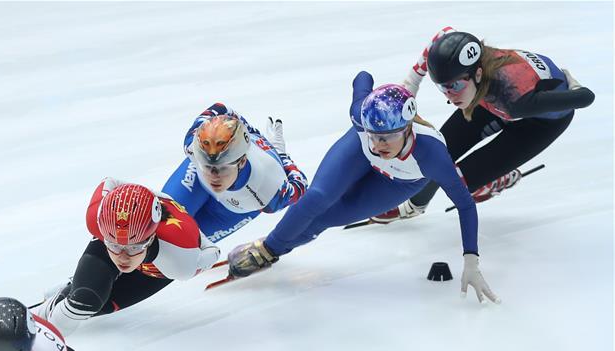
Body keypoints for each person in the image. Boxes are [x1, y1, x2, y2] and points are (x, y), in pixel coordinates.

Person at [226, 72, 500, 304]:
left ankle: (276, 249)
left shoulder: (432, 156)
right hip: (357, 149)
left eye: (387, 138)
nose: (380, 145)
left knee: (327, 218)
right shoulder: (361, 117)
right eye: (375, 136)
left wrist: (471, 261)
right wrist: (375, 101)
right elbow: (363, 77)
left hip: (400, 180)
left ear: (407, 129)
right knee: (317, 199)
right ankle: (267, 250)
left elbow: (465, 204)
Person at [370, 28, 594, 223]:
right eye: (443, 88)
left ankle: (495, 178)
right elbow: (442, 34)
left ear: (477, 74)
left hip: (539, 123)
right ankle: (415, 205)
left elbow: (586, 98)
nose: (450, 97)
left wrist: (572, 84)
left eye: (454, 86)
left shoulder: (515, 101)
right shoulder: (471, 63)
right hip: (491, 95)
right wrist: (411, 83)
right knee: (437, 152)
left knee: (459, 180)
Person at [35, 178, 220, 335]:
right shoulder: (96, 220)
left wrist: (162, 199)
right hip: (120, 232)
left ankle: (72, 286)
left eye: (134, 247)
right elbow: (111, 181)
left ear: (152, 236)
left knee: (98, 305)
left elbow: (212, 253)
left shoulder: (180, 257)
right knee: (85, 301)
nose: (122, 257)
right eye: (115, 246)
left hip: (156, 270)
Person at [161, 103, 308, 242]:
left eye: (222, 167)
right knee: (161, 231)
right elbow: (221, 107)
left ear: (242, 161)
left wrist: (281, 155)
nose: (213, 175)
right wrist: (244, 128)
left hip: (233, 209)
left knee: (182, 246)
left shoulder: (268, 192)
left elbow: (300, 185)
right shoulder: (192, 145)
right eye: (206, 165)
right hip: (199, 183)